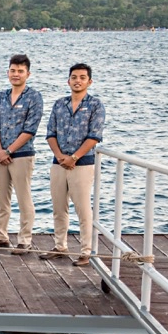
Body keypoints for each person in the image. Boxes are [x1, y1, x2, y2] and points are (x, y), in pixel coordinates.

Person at [40, 63, 104, 266]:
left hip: (82, 164)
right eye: (74, 77)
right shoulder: (60, 104)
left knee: (83, 209)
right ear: (68, 81)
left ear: (89, 81)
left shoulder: (95, 105)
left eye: (82, 77)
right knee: (59, 207)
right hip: (58, 162)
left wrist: (74, 157)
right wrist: (59, 155)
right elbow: (50, 133)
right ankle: (60, 246)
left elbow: (94, 137)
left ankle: (87, 251)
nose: (78, 80)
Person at [0, 54, 43, 254]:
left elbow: (30, 129)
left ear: (28, 74)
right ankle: (0, 236)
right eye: (13, 70)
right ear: (8, 72)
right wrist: (0, 151)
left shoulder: (34, 97)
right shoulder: (1, 96)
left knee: (24, 198)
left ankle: (25, 240)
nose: (16, 74)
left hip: (22, 154)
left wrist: (10, 150)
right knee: (2, 199)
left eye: (20, 71)